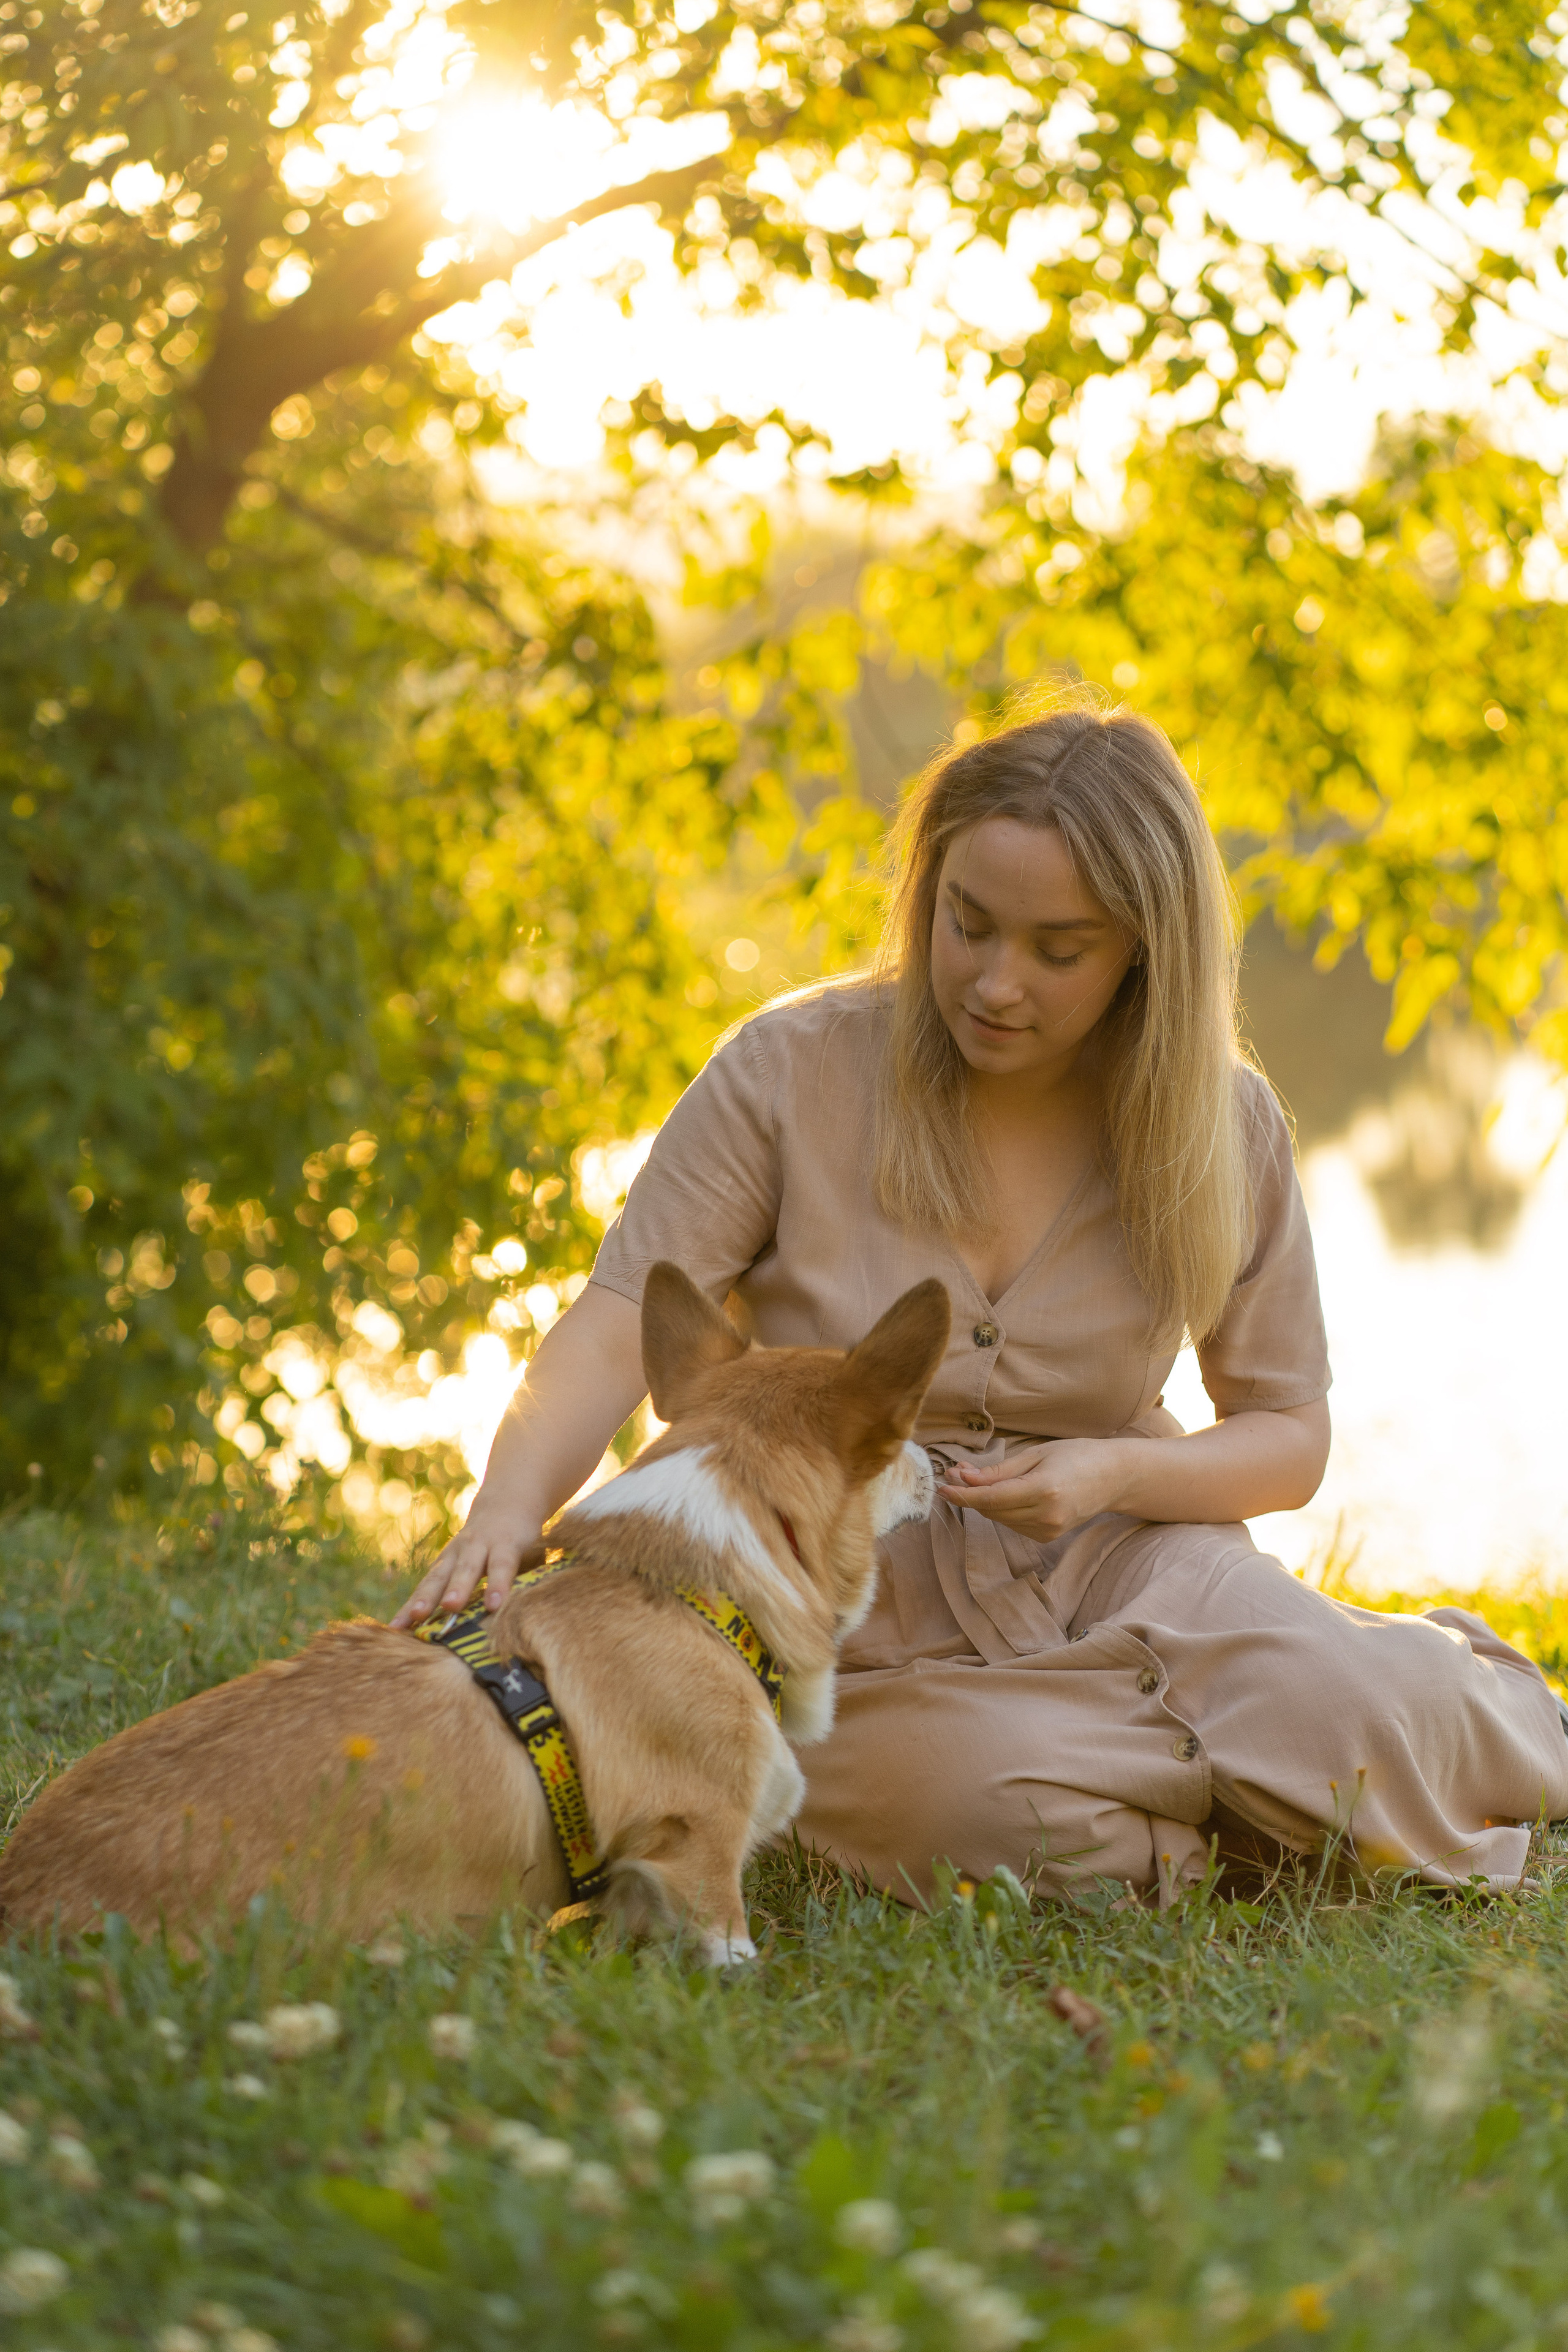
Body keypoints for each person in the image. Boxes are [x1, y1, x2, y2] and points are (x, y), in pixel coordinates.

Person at [395, 690, 1568, 1902]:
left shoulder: (1224, 1124)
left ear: (1139, 951)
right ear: (927, 894)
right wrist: (505, 1506)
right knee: (962, 1798)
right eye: (967, 925)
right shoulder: (787, 1069)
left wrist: (1111, 1476)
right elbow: (616, 1317)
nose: (994, 983)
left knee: (1354, 1705)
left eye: (1055, 951)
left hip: (1134, 1566)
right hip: (838, 1611)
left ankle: (1383, 1717)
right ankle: (1252, 1785)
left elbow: (1285, 1438)